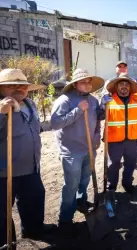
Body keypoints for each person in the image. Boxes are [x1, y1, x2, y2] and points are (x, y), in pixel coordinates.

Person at [0, 69, 55, 246]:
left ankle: (33, 228)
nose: (19, 89)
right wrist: (1, 114)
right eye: (12, 85)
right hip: (5, 170)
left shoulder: (30, 104)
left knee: (35, 197)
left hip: (31, 166)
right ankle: (7, 242)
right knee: (3, 210)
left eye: (22, 85)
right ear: (1, 89)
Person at [50, 69, 104, 231]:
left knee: (85, 178)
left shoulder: (93, 101)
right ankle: (65, 219)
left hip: (89, 148)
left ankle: (81, 201)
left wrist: (96, 137)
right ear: (75, 84)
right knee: (71, 184)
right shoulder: (65, 100)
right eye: (83, 82)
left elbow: (97, 122)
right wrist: (78, 110)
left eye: (89, 82)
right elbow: (56, 123)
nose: (87, 85)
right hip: (71, 150)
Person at [100, 73, 137, 194]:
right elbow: (99, 116)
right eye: (121, 84)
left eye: (127, 84)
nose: (124, 86)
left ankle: (127, 183)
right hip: (114, 139)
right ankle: (111, 187)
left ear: (130, 87)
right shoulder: (109, 100)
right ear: (116, 86)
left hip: (132, 139)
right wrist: (102, 105)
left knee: (130, 163)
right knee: (113, 165)